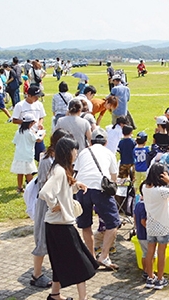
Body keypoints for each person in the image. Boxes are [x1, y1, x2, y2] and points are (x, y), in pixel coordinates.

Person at [38, 136, 98, 300]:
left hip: (56, 225)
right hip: (61, 226)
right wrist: (54, 205)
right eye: (74, 150)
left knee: (59, 263)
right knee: (82, 264)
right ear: (67, 152)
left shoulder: (60, 168)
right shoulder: (59, 171)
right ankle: (82, 298)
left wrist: (77, 185)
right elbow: (44, 192)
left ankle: (55, 295)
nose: (76, 153)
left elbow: (62, 189)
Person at [74, 128, 121, 271]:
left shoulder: (83, 152)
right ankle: (104, 256)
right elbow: (113, 176)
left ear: (90, 141)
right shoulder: (109, 153)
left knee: (85, 224)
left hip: (82, 188)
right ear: (106, 142)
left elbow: (76, 170)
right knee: (113, 223)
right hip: (100, 189)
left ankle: (91, 256)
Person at [30, 128, 68, 289]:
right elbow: (45, 188)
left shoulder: (59, 159)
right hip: (47, 205)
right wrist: (55, 204)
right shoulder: (47, 160)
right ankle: (36, 275)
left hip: (57, 206)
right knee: (42, 240)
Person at [141, 162, 169, 290]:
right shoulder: (162, 190)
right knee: (161, 254)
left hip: (151, 225)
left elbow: (163, 200)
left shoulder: (145, 187)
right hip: (163, 226)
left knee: (150, 252)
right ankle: (160, 279)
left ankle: (150, 277)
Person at [12, 84, 47, 161]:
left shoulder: (39, 105)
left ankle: (39, 171)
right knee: (26, 158)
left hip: (37, 133)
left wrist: (40, 123)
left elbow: (41, 116)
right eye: (35, 96)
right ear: (29, 95)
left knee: (42, 157)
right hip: (25, 135)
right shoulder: (20, 105)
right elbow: (14, 120)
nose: (37, 98)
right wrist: (26, 123)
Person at [10, 112, 42, 193]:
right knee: (29, 172)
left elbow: (15, 142)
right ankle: (31, 189)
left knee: (20, 172)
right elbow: (38, 140)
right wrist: (43, 134)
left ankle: (19, 187)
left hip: (19, 155)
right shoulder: (30, 132)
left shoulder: (19, 131)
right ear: (30, 123)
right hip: (28, 156)